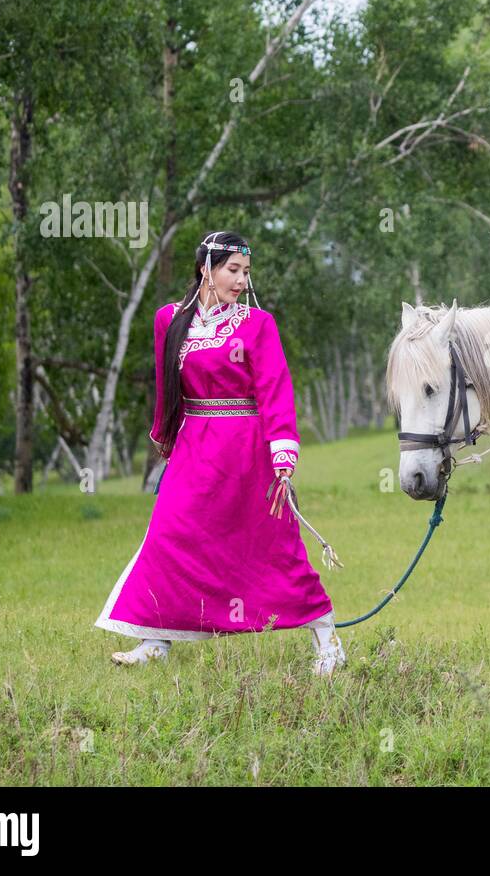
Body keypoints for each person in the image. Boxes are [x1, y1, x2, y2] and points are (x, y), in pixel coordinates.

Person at [94, 231, 345, 676]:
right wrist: (163, 438)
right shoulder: (169, 320)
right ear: (205, 269)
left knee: (275, 546)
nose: (242, 281)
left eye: (246, 272)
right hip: (193, 449)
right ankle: (156, 641)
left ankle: (328, 641)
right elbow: (166, 387)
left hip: (247, 452)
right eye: (233, 270)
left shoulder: (257, 324)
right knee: (168, 535)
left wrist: (283, 454)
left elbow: (275, 390)